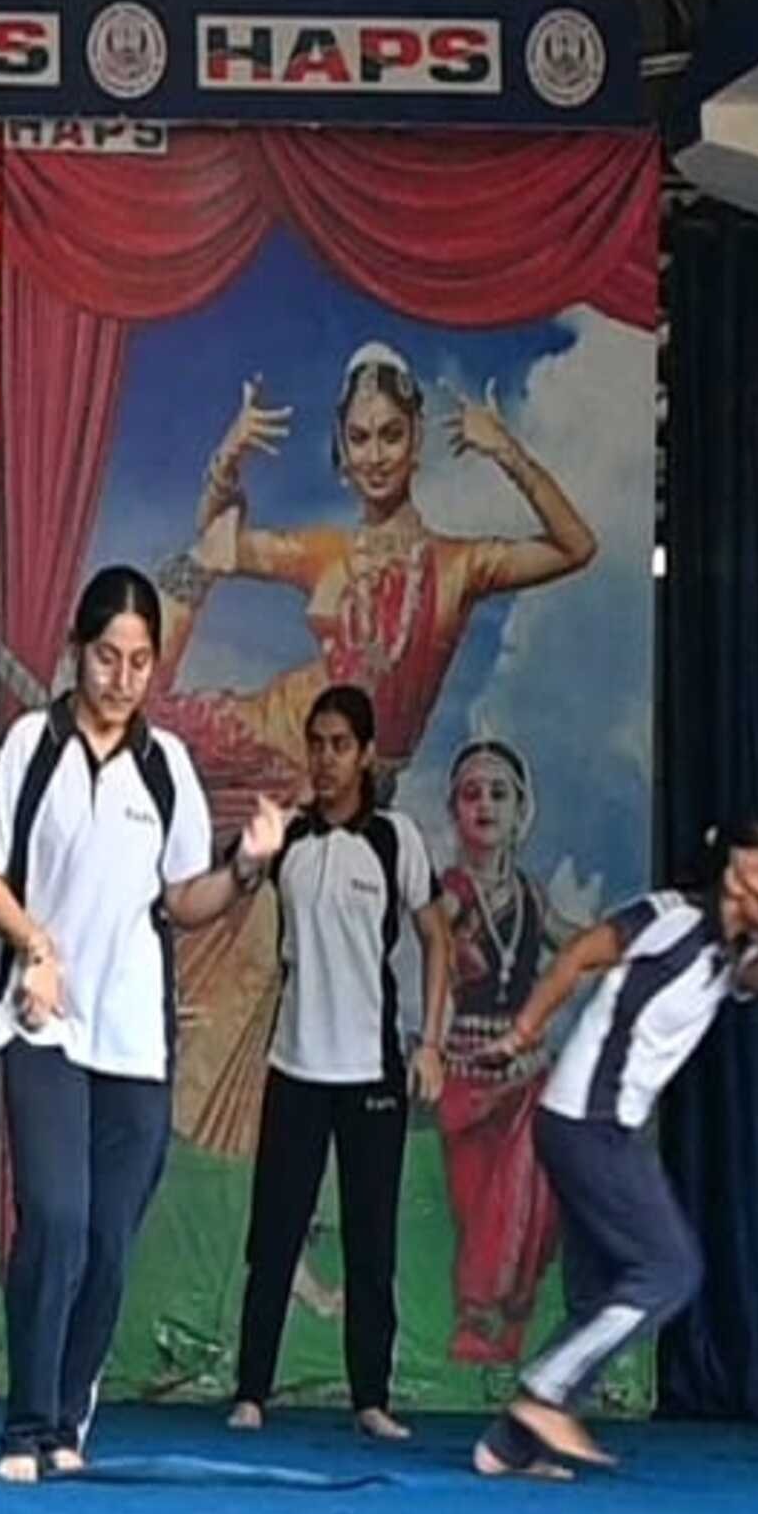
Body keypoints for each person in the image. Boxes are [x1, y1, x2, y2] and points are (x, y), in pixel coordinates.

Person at [157, 346, 601, 1164]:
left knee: (307, 970)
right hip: (284, 739)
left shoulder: (458, 565)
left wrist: (506, 452)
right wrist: (225, 463)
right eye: (358, 437)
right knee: (169, 750)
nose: (373, 454)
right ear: (340, 443)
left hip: (353, 791)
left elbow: (576, 547)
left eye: (389, 434)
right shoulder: (324, 551)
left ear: (416, 440)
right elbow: (217, 541)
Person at [0, 566, 283, 1483]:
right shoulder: (32, 745)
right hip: (42, 1024)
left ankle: (67, 1417)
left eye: (139, 662)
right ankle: (25, 1423)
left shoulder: (166, 766)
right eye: (107, 657)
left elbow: (184, 900)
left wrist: (246, 867)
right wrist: (35, 946)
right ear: (77, 651)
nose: (121, 678)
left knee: (107, 1241)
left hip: (136, 1040)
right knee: (56, 1220)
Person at [481, 820, 758, 1477]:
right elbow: (578, 954)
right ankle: (542, 1396)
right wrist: (522, 1031)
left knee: (598, 1293)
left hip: (609, 1128)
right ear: (738, 875)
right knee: (669, 1269)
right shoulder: (670, 918)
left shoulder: (730, 954)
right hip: (583, 1120)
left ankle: (508, 1448)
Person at [224, 682, 451, 1440]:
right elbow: (228, 884)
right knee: (275, 1235)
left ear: (366, 755)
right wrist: (251, 851)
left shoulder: (395, 838)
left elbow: (437, 938)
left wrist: (430, 1043)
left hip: (371, 1073)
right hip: (295, 1066)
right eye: (316, 744)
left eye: (340, 746)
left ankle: (370, 1400)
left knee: (370, 1241)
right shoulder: (287, 837)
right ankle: (250, 1392)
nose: (325, 759)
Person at [433, 737, 571, 1370]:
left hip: (526, 1074)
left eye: (498, 794)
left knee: (529, 1206)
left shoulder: (532, 897)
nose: (484, 805)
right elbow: (433, 927)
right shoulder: (454, 892)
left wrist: (633, 944)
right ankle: (475, 1334)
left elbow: (574, 947)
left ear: (522, 811)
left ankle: (509, 1338)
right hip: (468, 1078)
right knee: (480, 1210)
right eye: (471, 794)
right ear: (454, 811)